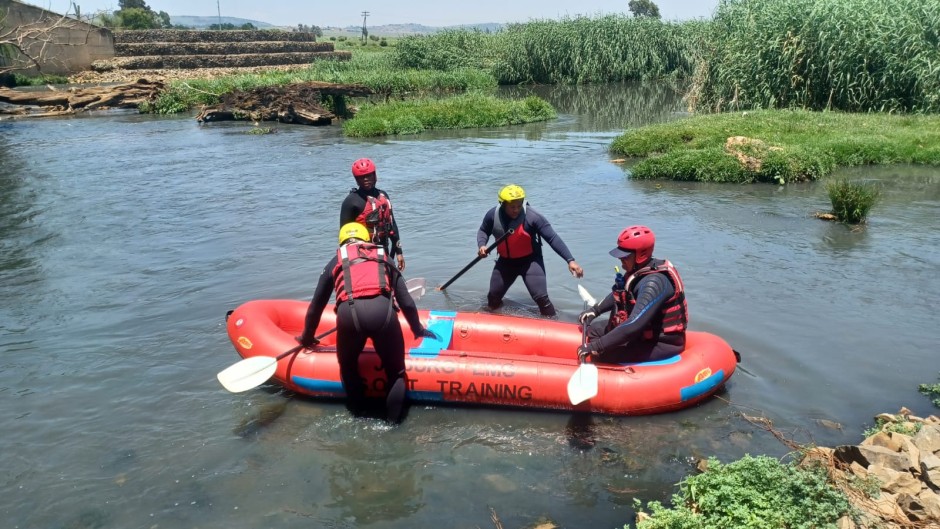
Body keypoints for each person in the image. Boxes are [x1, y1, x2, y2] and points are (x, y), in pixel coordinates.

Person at [296, 222, 437, 423]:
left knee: (348, 367)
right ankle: (393, 425)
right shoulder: (383, 256)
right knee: (396, 373)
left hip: (349, 316)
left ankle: (360, 417)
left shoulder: (335, 260)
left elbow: (316, 307)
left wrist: (307, 337)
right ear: (367, 239)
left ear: (342, 242)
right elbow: (406, 301)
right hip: (383, 314)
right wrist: (417, 328)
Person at [577, 225, 688, 363]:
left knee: (603, 354)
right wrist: (595, 311)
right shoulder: (638, 272)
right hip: (642, 335)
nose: (620, 260)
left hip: (661, 343)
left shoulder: (654, 283)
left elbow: (635, 324)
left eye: (625, 257)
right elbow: (621, 294)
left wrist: (597, 346)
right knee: (594, 331)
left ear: (641, 255)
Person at [476, 184, 584, 317]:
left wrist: (570, 260)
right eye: (512, 207)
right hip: (505, 263)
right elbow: (483, 231)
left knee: (541, 299)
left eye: (519, 205)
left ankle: (554, 324)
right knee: (493, 298)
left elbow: (552, 238)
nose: (516, 210)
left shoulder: (533, 217)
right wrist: (482, 245)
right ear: (503, 204)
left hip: (530, 262)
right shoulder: (492, 215)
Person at [339, 158, 406, 271]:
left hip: (383, 250)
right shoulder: (351, 202)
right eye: (361, 177)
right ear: (356, 179)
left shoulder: (383, 196)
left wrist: (399, 252)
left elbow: (392, 224)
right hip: (362, 254)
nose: (366, 179)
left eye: (369, 175)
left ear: (375, 176)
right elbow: (344, 236)